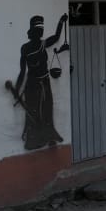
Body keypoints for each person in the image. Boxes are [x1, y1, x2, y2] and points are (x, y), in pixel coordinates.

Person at [13, 13, 68, 150]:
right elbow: (22, 72)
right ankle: (33, 141)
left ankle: (49, 136)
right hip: (33, 84)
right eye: (39, 30)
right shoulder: (27, 48)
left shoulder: (36, 45)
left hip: (44, 82)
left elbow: (55, 37)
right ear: (34, 31)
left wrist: (61, 22)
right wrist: (17, 90)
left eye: (41, 30)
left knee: (47, 109)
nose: (41, 32)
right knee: (34, 112)